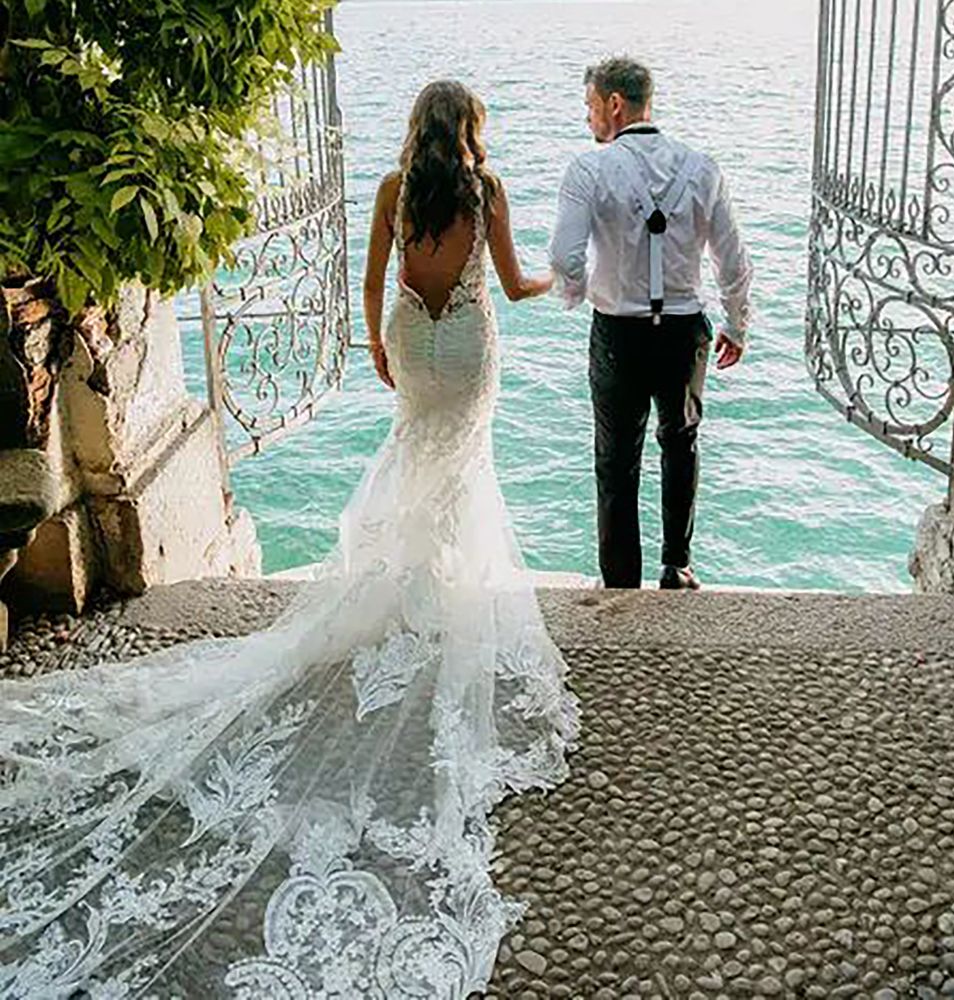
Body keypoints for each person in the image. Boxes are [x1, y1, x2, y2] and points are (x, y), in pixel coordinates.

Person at [0, 80, 577, 998]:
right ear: (469, 130)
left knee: (412, 462)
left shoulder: (394, 189)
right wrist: (561, 280)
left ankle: (403, 587)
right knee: (459, 473)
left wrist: (380, 344)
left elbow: (371, 275)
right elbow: (511, 283)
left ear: (413, 126)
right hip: (466, 343)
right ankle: (439, 598)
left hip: (410, 336)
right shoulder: (490, 192)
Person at [550, 56, 753, 591]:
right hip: (685, 332)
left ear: (615, 104)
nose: (589, 118)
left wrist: (579, 292)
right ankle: (677, 566)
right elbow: (732, 259)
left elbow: (565, 258)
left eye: (591, 106)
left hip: (618, 332)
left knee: (616, 461)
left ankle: (620, 582)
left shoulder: (588, 171)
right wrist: (737, 323)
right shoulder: (702, 167)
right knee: (681, 444)